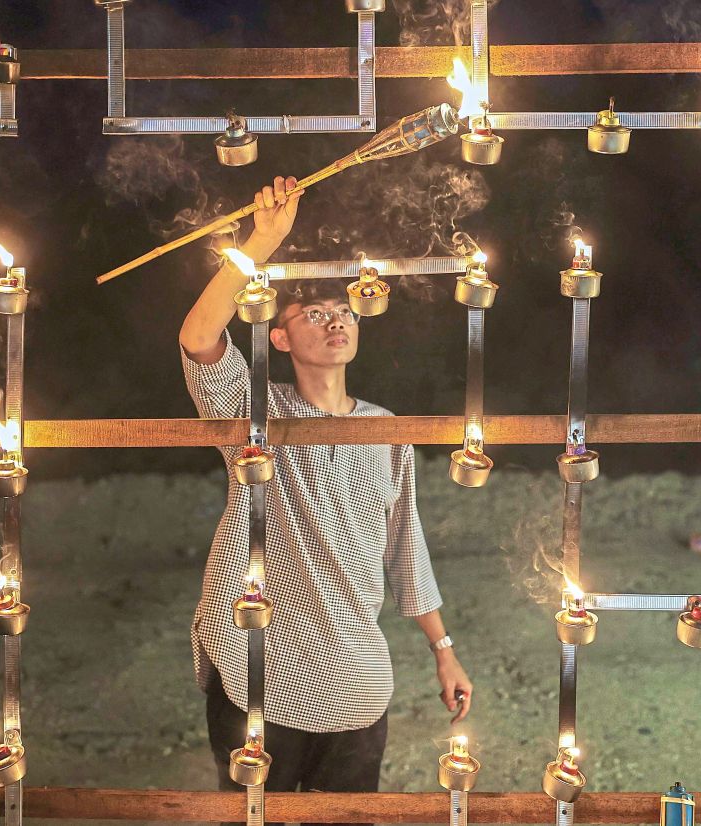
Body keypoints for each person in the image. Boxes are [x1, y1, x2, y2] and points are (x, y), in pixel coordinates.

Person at [180, 176, 472, 800]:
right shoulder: (252, 410)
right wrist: (264, 241)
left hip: (356, 678)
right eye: (313, 314)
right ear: (278, 338)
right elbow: (200, 336)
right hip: (261, 667)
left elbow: (404, 544)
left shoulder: (387, 429)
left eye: (342, 312)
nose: (335, 321)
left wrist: (443, 649)